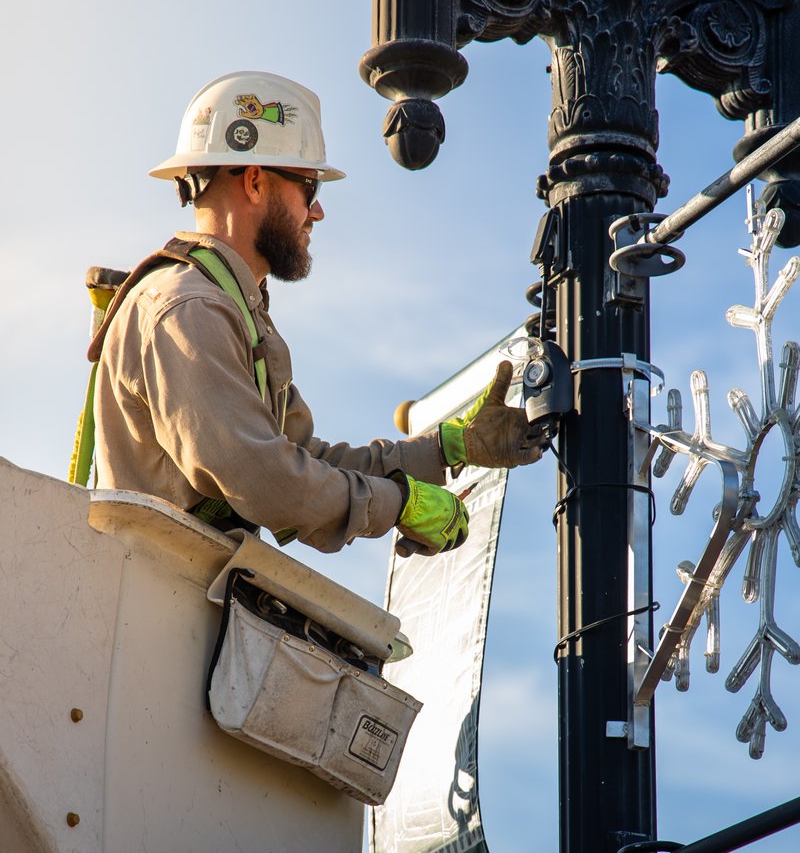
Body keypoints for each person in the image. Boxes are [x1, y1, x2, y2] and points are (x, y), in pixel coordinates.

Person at [93, 70, 544, 556]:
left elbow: (302, 459)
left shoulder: (227, 308)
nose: (317, 212)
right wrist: (399, 504)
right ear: (253, 182)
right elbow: (265, 477)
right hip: (154, 605)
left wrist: (444, 450)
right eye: (309, 188)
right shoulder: (189, 310)